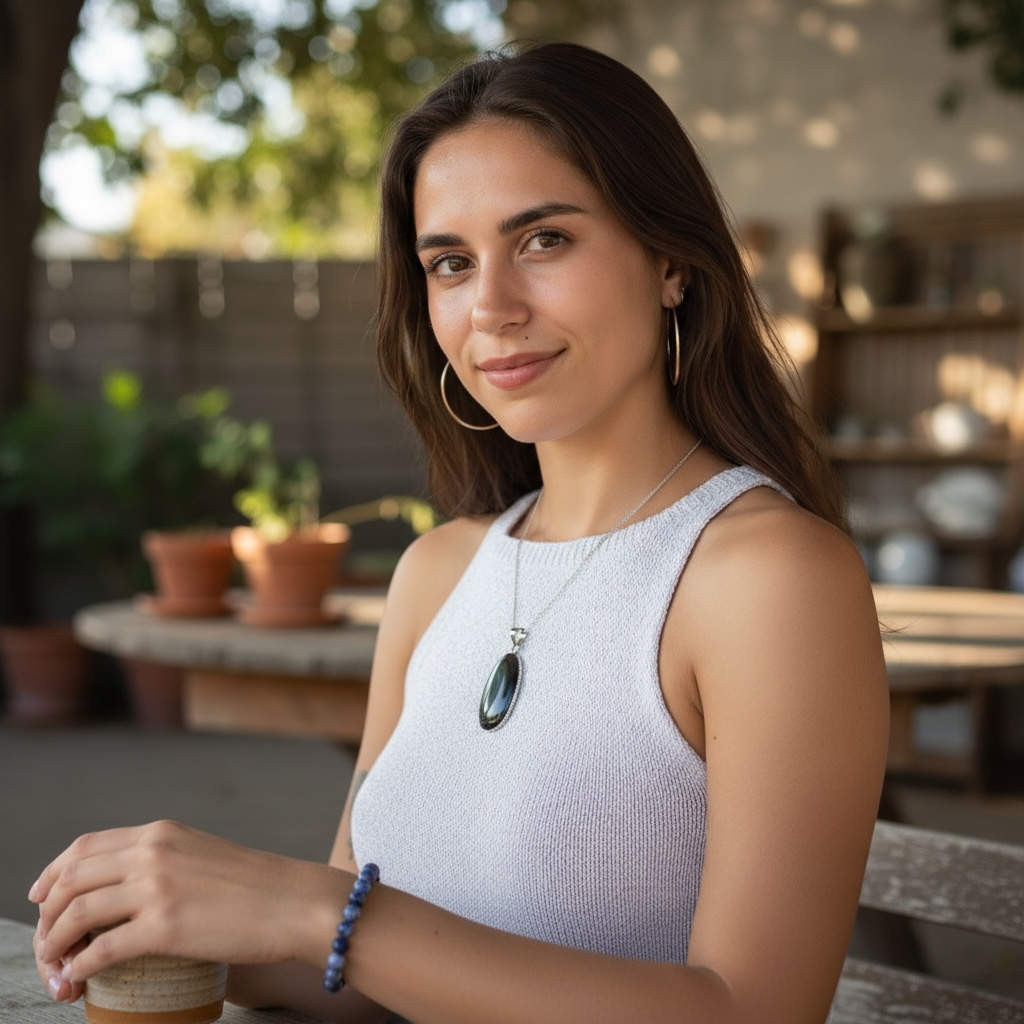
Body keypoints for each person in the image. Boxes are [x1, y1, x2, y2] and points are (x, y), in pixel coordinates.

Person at [31, 41, 889, 1024]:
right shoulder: (438, 571)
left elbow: (755, 1010)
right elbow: (356, 962)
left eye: (544, 240)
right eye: (450, 262)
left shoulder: (764, 575)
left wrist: (310, 906)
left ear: (673, 264)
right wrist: (186, 915)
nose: (492, 308)